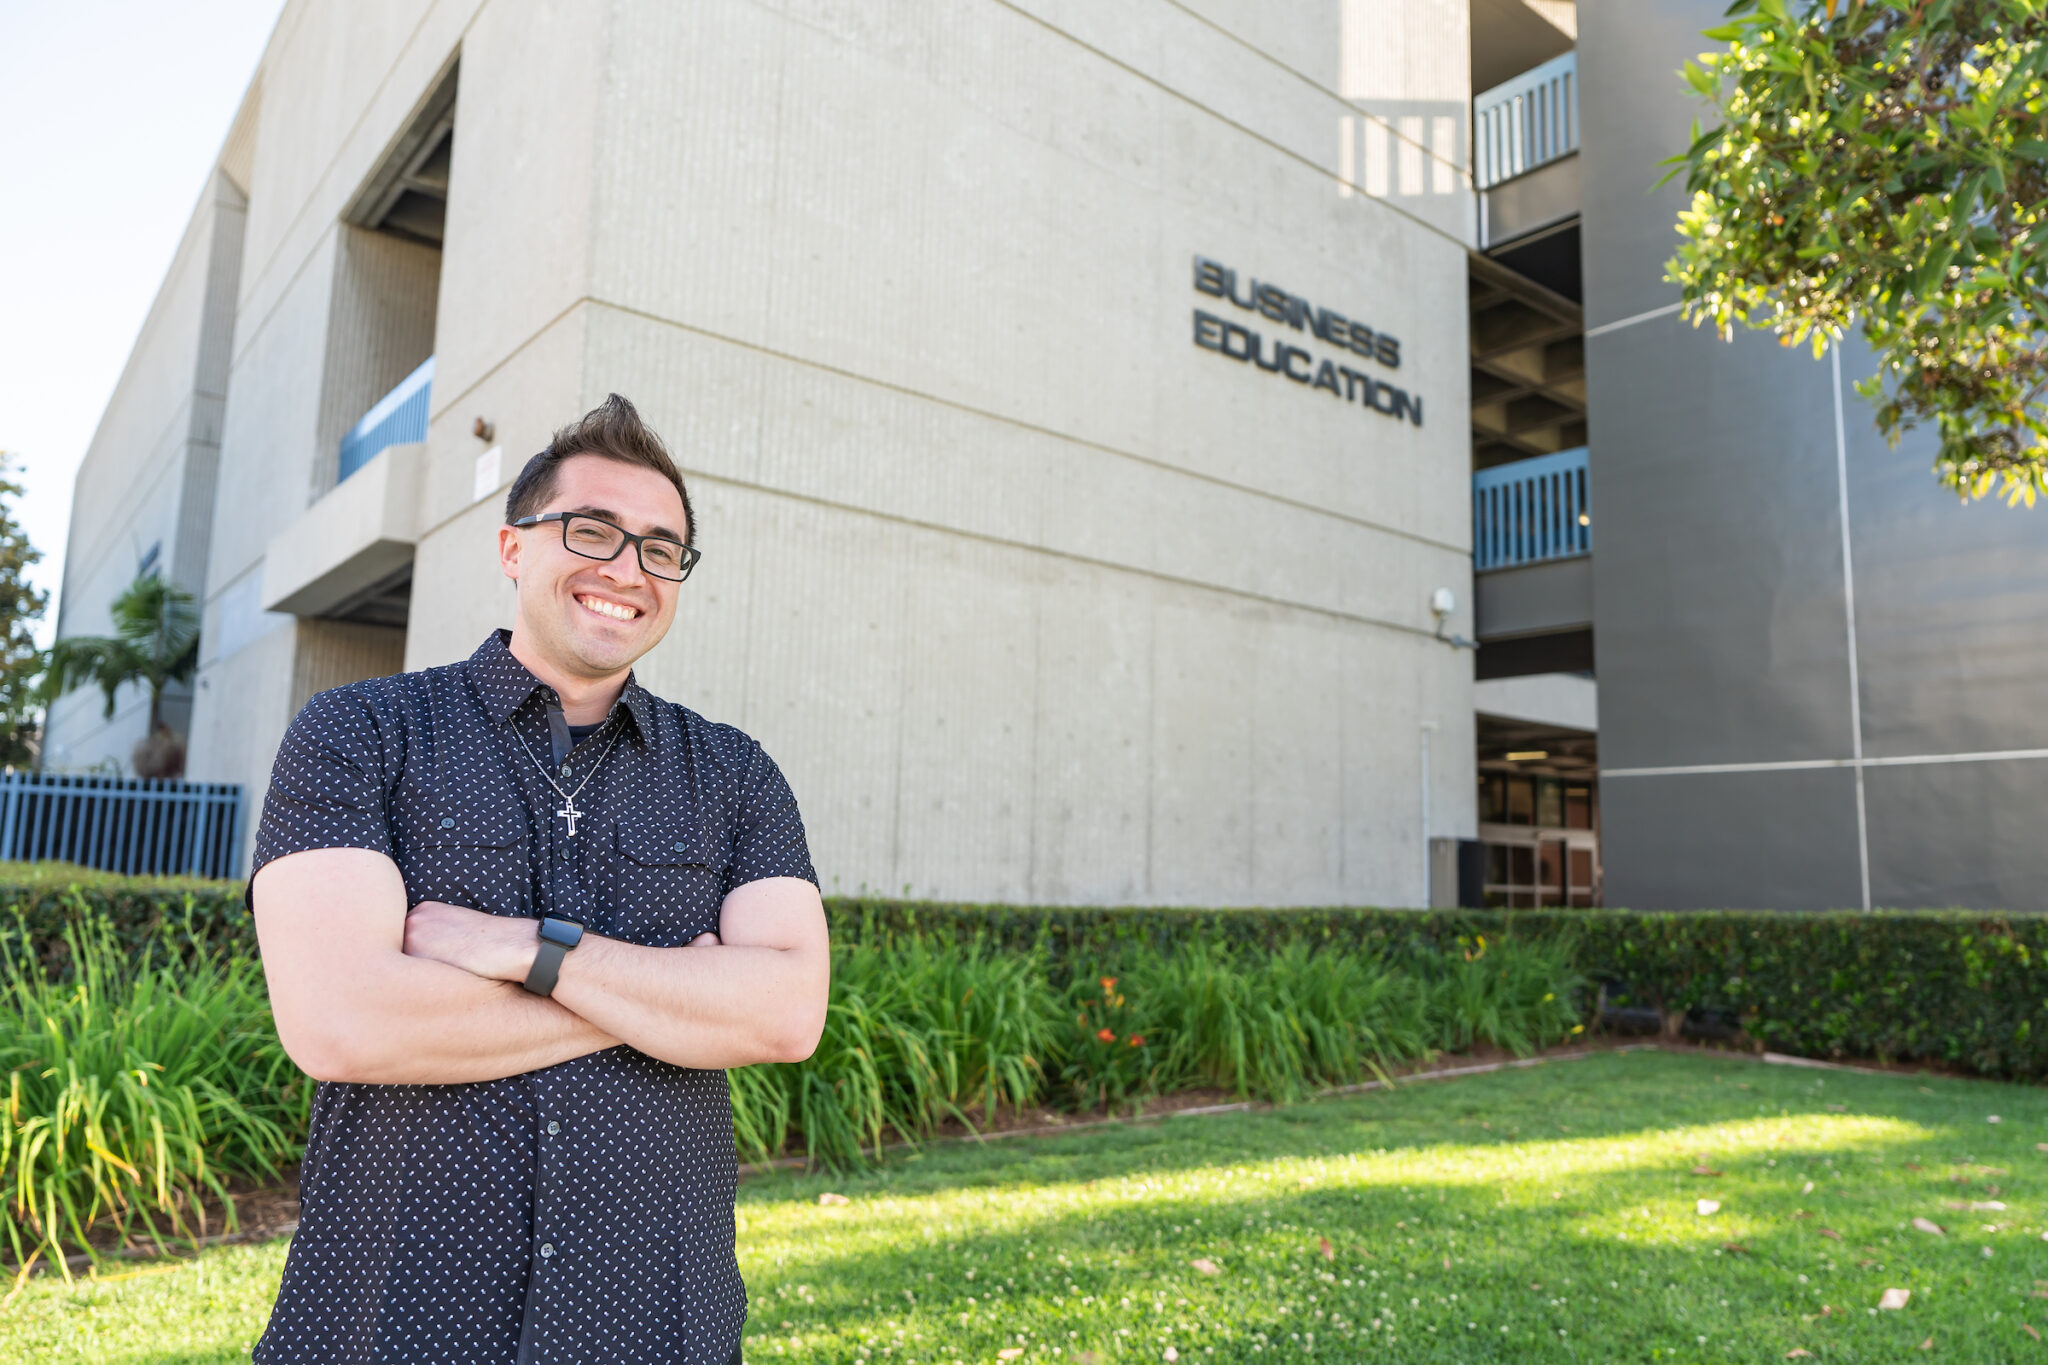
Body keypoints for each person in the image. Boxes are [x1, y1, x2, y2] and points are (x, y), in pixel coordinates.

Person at [248, 394, 829, 1365]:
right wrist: (672, 995)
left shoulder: (735, 774)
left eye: (660, 548)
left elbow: (784, 1016)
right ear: (514, 548)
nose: (626, 570)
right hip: (387, 1325)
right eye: (592, 530)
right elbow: (342, 1024)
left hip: (653, 1329)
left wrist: (523, 951)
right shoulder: (359, 735)